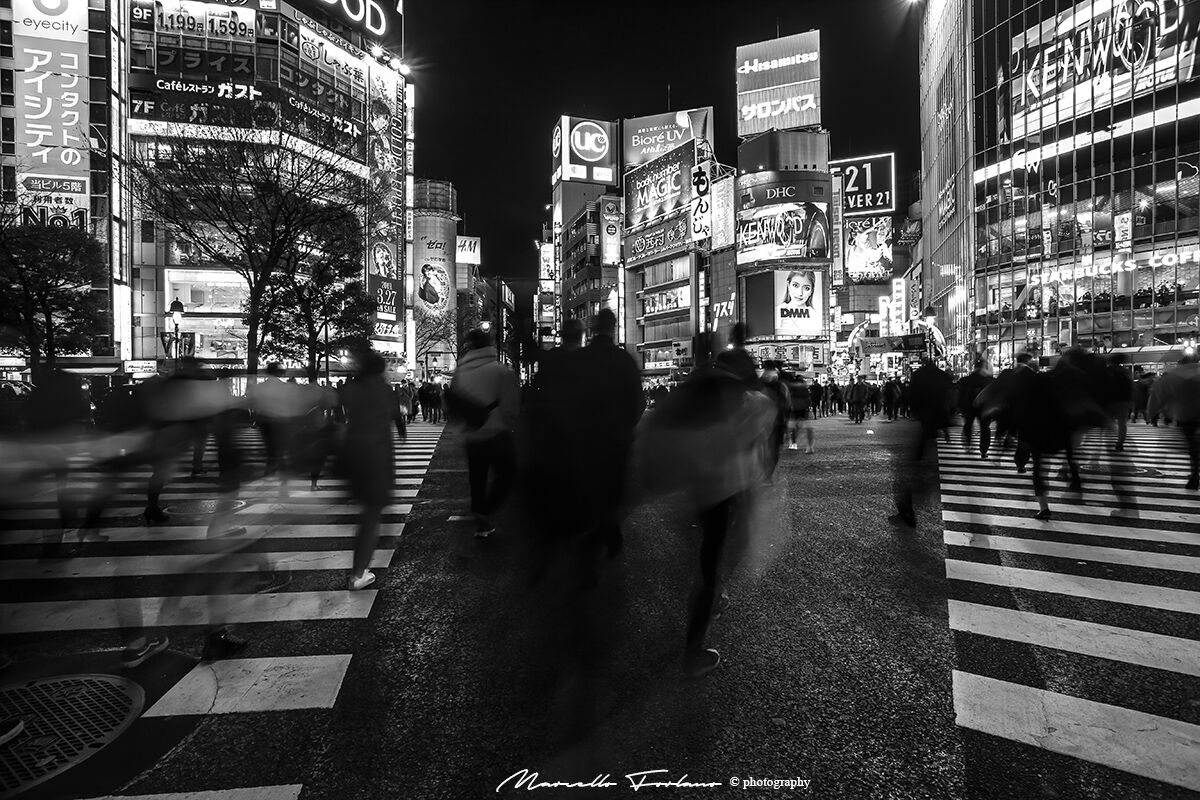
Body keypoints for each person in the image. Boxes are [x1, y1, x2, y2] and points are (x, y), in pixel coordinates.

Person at [574, 310, 645, 555]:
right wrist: (625, 426)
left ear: (593, 329)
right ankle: (606, 532)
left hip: (585, 439)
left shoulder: (580, 358)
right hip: (616, 439)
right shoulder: (624, 359)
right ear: (613, 328)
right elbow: (638, 401)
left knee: (589, 489)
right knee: (613, 490)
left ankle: (595, 535)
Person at [340, 350, 403, 589]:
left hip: (353, 451)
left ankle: (360, 567)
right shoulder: (384, 390)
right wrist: (401, 430)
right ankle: (358, 573)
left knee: (367, 511)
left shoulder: (352, 389)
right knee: (371, 514)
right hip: (376, 454)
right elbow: (395, 415)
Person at [448, 328, 520, 537]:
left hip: (471, 435)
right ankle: (485, 511)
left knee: (477, 479)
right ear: (489, 345)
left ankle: (482, 523)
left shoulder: (460, 372)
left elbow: (453, 405)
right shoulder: (501, 371)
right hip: (497, 433)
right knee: (507, 473)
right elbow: (511, 407)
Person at [891, 358, 952, 528]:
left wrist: (913, 411)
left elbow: (911, 397)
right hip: (936, 424)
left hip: (922, 423)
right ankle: (916, 497)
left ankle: (907, 509)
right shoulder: (943, 376)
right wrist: (945, 425)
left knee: (911, 466)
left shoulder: (919, 375)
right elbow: (948, 400)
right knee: (926, 462)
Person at [1148, 353, 1200, 489]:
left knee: (1192, 446)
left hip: (1186, 415)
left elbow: (1158, 396)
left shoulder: (1172, 376)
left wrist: (1151, 413)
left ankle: (1194, 476)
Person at [759, 363, 791, 475]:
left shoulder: (758, 384)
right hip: (776, 422)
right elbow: (787, 405)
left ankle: (765, 473)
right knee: (774, 449)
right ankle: (768, 473)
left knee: (763, 447)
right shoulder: (781, 386)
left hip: (762, 423)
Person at [957, 360, 994, 451]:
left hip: (969, 406)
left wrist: (960, 407)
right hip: (984, 407)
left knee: (968, 425)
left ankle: (968, 443)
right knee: (985, 428)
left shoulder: (966, 380)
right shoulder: (988, 380)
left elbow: (961, 394)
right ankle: (984, 449)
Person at [1103, 353, 1134, 451]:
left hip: (1109, 400)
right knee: (1122, 423)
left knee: (1108, 420)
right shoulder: (1125, 372)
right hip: (1123, 400)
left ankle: (1110, 437)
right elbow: (1130, 387)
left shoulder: (1107, 371)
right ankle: (1120, 442)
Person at [783, 372, 813, 453]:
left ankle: (793, 443)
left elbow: (788, 398)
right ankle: (809, 446)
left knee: (793, 427)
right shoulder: (804, 387)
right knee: (807, 428)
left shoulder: (790, 386)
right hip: (803, 409)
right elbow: (808, 398)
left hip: (794, 408)